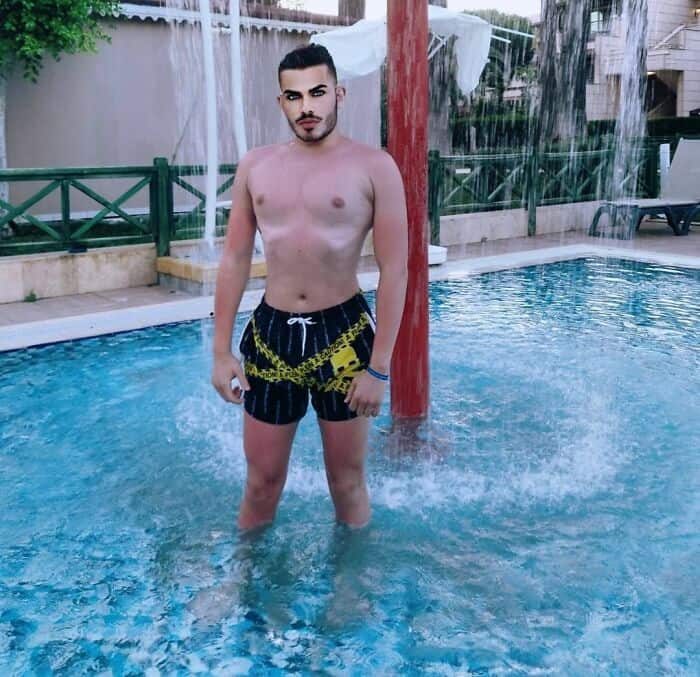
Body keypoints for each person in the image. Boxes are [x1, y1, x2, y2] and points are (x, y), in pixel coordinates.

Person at [211, 44, 408, 530]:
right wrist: (220, 351)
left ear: (338, 94)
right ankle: (248, 574)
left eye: (318, 93)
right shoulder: (255, 166)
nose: (307, 107)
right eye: (294, 97)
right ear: (281, 102)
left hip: (343, 336)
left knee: (347, 483)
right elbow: (234, 259)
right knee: (260, 483)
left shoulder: (375, 167)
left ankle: (351, 578)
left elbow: (395, 269)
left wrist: (379, 369)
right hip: (271, 336)